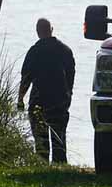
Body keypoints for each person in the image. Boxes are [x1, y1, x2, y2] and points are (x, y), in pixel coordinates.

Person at [18, 18, 75, 164]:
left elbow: (26, 78)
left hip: (39, 102)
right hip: (60, 102)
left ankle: (43, 168)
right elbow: (71, 77)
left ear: (38, 32)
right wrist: (68, 96)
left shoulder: (34, 51)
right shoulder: (65, 50)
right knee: (59, 141)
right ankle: (60, 169)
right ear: (52, 29)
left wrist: (20, 99)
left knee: (41, 144)